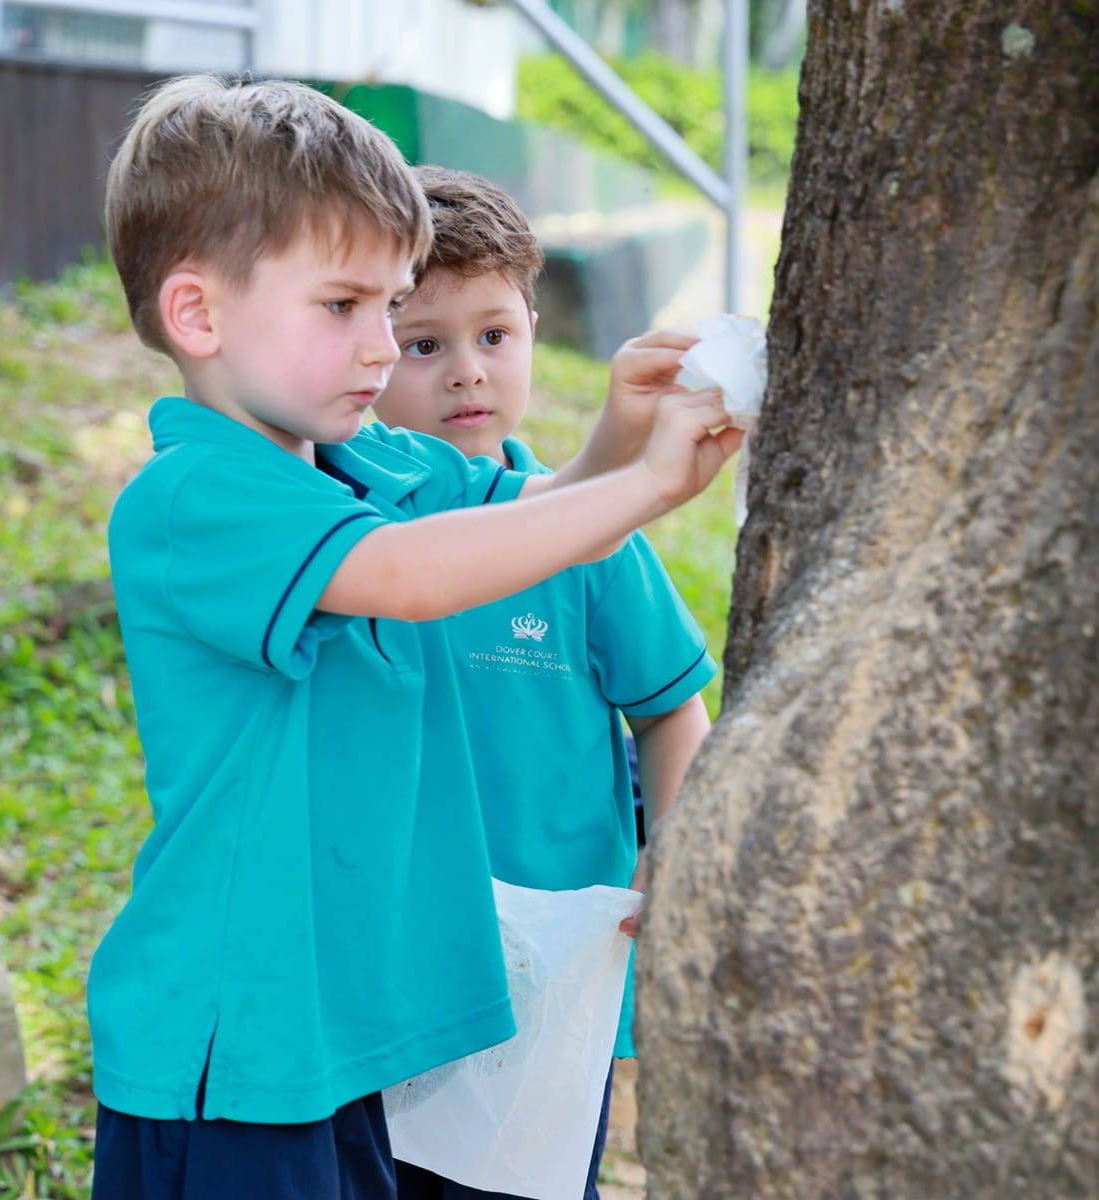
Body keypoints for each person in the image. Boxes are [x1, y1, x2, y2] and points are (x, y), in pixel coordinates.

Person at [88, 74, 739, 1200]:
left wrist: (610, 446)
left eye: (390, 308)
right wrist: (643, 490)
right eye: (344, 308)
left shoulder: (368, 465)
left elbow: (508, 522)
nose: (384, 349)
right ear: (198, 315)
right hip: (232, 1050)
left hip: (346, 1041)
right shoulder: (196, 498)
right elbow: (413, 574)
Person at [372, 167, 715, 1200]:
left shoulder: (589, 537)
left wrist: (675, 854)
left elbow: (669, 706)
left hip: (558, 979)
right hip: (397, 962)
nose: (466, 375)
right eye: (422, 345)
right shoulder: (359, 534)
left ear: (532, 325)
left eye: (495, 336)